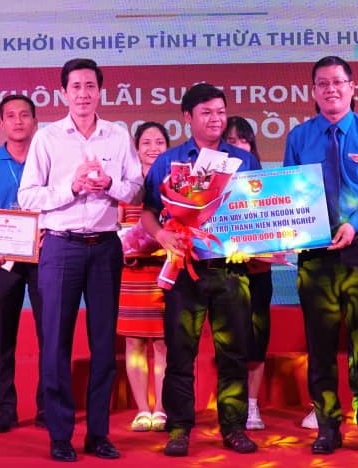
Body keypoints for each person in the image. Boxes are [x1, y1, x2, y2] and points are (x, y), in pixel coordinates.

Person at [17, 58, 143, 462]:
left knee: (104, 344)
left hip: (105, 247)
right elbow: (27, 196)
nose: (84, 94)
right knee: (56, 342)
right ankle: (60, 434)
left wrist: (110, 185)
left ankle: (99, 434)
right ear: (63, 93)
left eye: (91, 86)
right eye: (76, 87)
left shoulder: (117, 136)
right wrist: (70, 187)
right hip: (61, 247)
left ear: (101, 91)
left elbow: (136, 188)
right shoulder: (48, 138)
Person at [283, 56, 358, 456]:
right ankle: (327, 427)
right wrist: (286, 230)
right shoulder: (299, 137)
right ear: (313, 91)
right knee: (320, 346)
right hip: (315, 257)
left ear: (352, 87)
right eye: (322, 83)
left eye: (337, 82)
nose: (330, 89)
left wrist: (355, 224)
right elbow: (288, 193)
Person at [141, 83, 262, 457]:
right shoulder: (170, 161)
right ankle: (179, 428)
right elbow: (148, 211)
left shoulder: (243, 161)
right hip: (185, 270)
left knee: (234, 352)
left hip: (231, 271)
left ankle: (233, 427)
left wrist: (253, 242)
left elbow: (260, 210)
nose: (216, 119)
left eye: (221, 112)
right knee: (180, 354)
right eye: (207, 112)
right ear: (187, 117)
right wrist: (162, 235)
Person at [0, 94, 45, 434]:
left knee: (50, 337)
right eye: (11, 116)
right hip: (3, 262)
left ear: (35, 121)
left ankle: (47, 408)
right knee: (2, 338)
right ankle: (6, 411)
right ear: (1, 123)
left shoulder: (47, 160)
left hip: (46, 256)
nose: (18, 121)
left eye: (25, 115)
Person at [118, 122, 170, 433]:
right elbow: (114, 227)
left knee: (164, 343)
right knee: (134, 342)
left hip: (166, 274)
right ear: (136, 149)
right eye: (146, 143)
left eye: (159, 142)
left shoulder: (176, 185)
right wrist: (124, 246)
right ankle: (142, 410)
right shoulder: (127, 186)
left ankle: (161, 408)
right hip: (131, 273)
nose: (153, 148)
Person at [223, 116, 273, 431]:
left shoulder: (268, 186)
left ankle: (252, 406)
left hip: (258, 272)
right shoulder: (212, 190)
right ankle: (231, 405)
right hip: (226, 273)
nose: (239, 147)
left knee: (256, 340)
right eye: (232, 141)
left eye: (244, 141)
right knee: (230, 340)